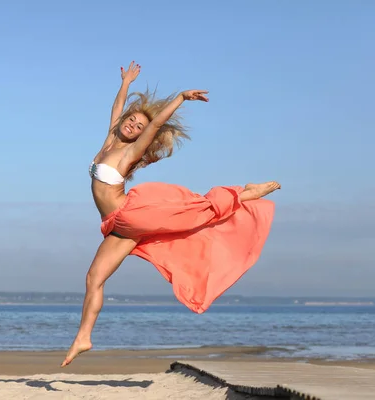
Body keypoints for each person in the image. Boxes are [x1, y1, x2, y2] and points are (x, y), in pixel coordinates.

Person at [61, 61, 280, 367]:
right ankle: (83, 337)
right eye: (132, 122)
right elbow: (118, 109)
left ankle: (244, 193)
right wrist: (125, 83)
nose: (134, 127)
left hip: (131, 214)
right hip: (118, 228)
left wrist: (180, 97)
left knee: (192, 211)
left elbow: (152, 126)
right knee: (93, 279)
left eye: (138, 127)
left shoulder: (129, 152)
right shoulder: (110, 140)